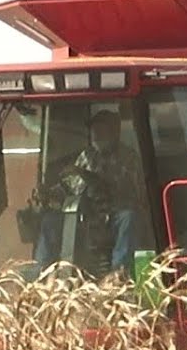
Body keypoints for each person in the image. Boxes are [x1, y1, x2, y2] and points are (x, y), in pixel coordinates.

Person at [30, 109, 143, 276]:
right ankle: (39, 275)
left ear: (115, 131)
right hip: (85, 218)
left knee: (129, 218)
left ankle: (118, 276)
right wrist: (48, 193)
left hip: (114, 216)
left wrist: (84, 174)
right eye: (94, 130)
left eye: (101, 130)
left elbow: (123, 188)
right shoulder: (87, 156)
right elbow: (69, 187)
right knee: (50, 221)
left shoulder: (128, 157)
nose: (96, 134)